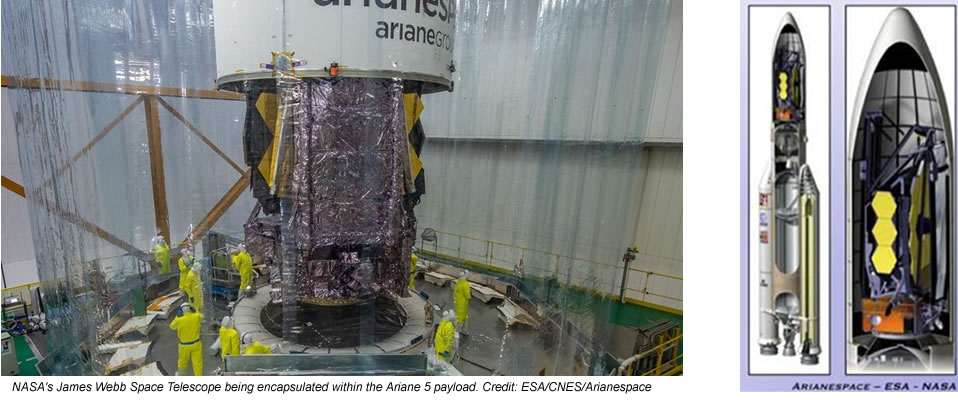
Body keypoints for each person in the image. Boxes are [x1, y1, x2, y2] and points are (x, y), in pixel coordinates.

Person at [169, 302, 203, 376]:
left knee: (183, 363)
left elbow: (172, 326)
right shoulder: (196, 316)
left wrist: (177, 316)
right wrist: (195, 311)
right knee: (197, 363)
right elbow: (202, 316)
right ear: (190, 309)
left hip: (184, 346)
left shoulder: (179, 320)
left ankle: (181, 376)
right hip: (196, 344)